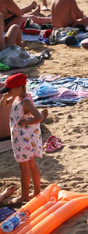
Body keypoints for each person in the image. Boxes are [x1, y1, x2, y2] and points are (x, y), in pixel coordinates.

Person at [2, 74, 42, 204]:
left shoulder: (25, 101)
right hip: (23, 137)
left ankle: (24, 196)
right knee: (31, 164)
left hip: (23, 138)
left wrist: (25, 123)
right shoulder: (18, 97)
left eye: (10, 90)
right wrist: (5, 97)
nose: (8, 92)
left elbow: (39, 117)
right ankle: (36, 192)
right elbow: (3, 105)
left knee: (24, 167)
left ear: (19, 88)